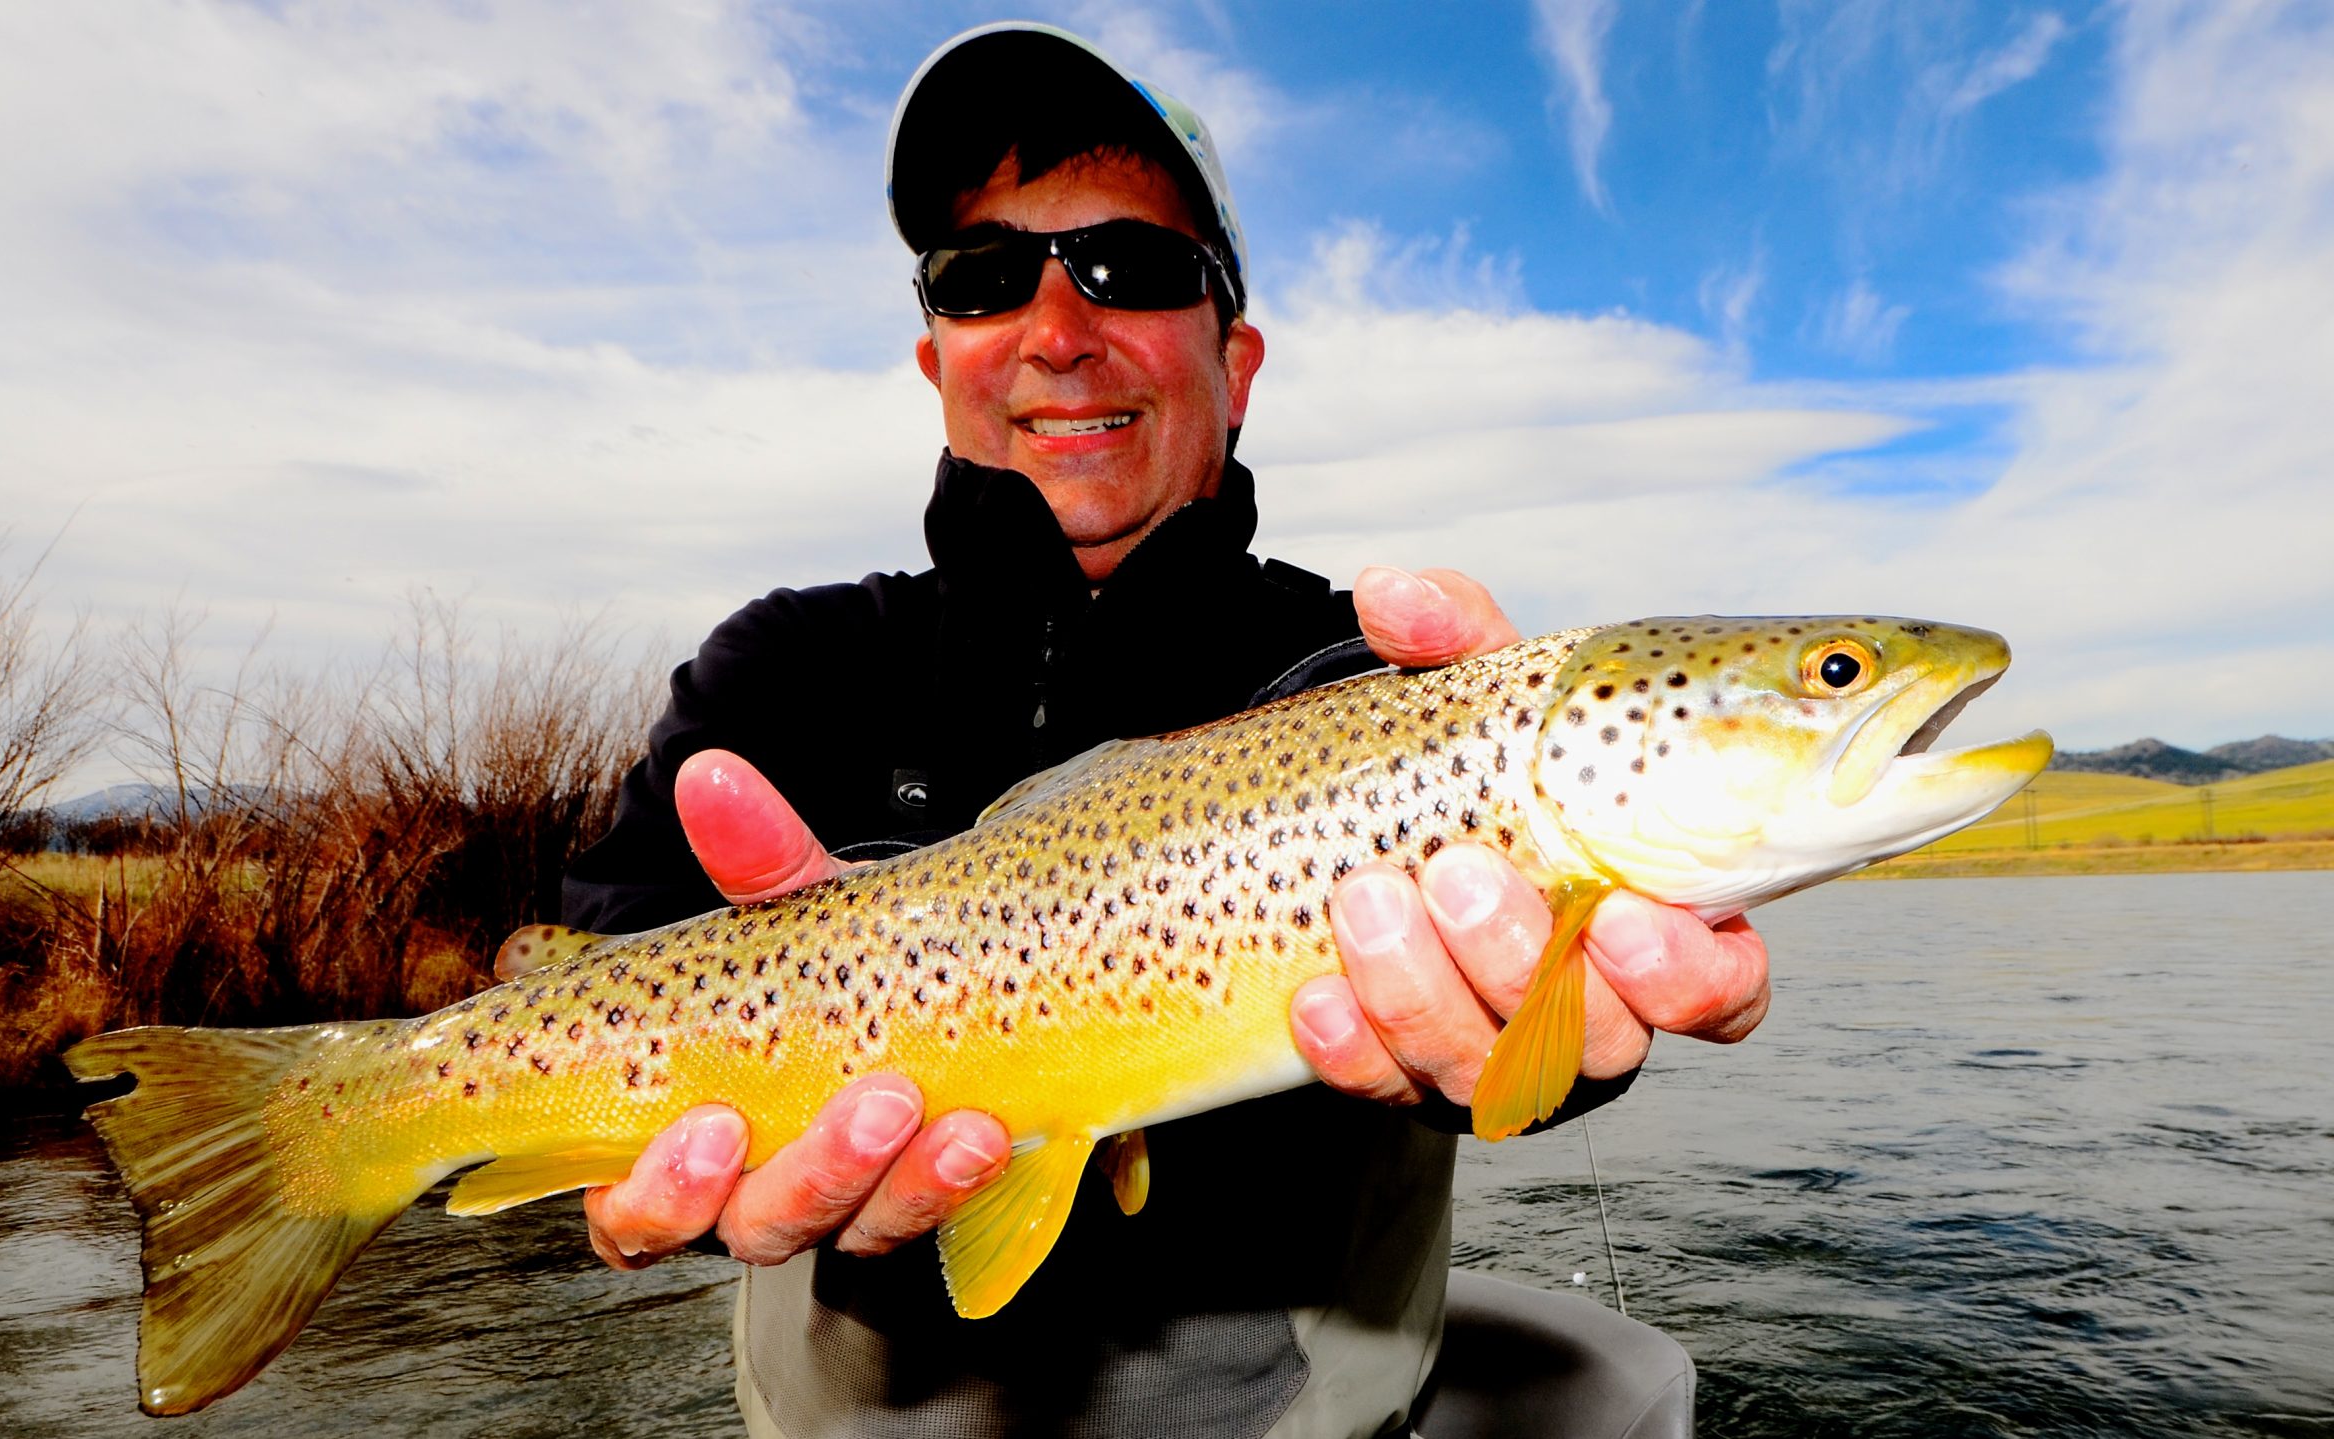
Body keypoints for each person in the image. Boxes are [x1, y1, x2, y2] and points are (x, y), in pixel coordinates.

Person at [558, 23, 1769, 1439]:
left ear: (1236, 360)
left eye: (1132, 269)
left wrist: (1557, 1031)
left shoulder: (1368, 677)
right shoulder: (785, 668)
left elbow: (1510, 1050)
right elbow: (606, 995)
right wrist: (662, 1186)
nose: (1058, 333)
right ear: (935, 351)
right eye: (986, 275)